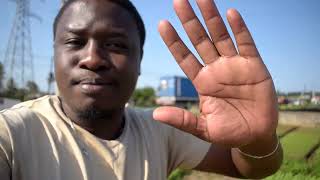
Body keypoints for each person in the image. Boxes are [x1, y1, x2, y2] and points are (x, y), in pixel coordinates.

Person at [0, 0, 283, 179]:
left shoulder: (159, 130)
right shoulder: (13, 134)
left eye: (116, 45)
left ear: (139, 62)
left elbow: (248, 168)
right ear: (55, 55)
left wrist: (256, 140)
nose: (93, 59)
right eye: (75, 42)